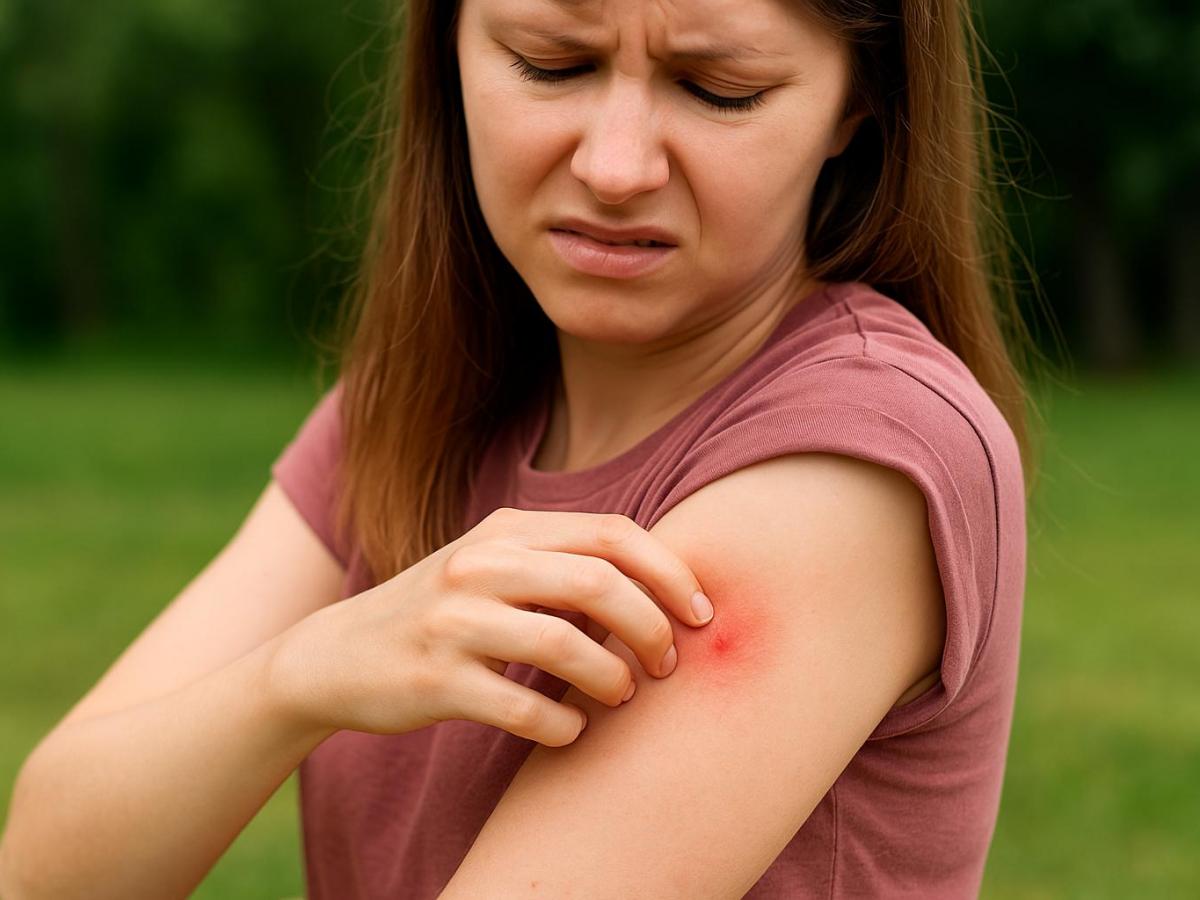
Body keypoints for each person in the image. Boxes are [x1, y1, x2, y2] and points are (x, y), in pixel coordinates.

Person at [0, 0, 1043, 897]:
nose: (616, 167)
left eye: (717, 88)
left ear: (860, 100)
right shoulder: (423, 406)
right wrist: (298, 677)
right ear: (447, 50)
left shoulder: (855, 460)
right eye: (552, 64)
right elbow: (45, 868)